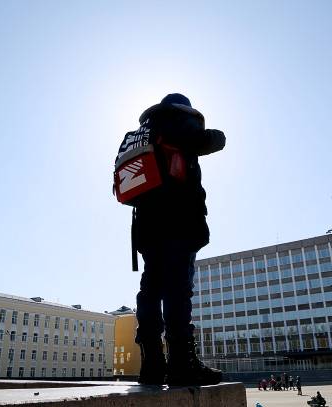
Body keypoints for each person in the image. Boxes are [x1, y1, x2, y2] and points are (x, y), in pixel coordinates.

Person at [129, 93, 226, 386]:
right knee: (177, 291)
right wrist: (215, 134)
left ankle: (152, 364)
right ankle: (182, 364)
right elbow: (210, 140)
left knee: (151, 289)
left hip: (147, 228)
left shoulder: (143, 132)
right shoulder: (176, 121)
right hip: (177, 223)